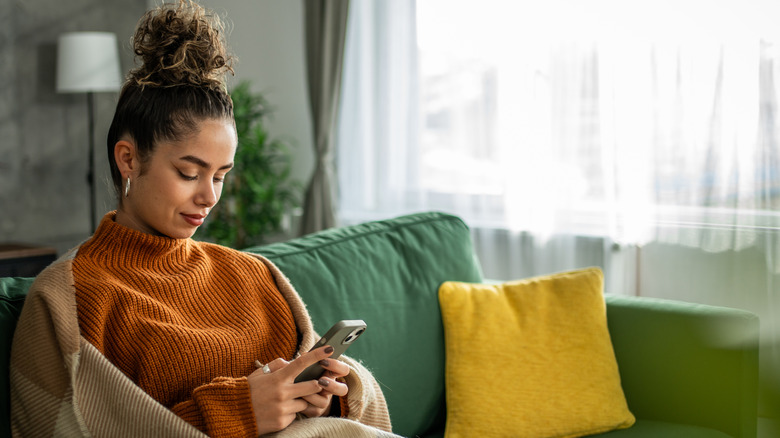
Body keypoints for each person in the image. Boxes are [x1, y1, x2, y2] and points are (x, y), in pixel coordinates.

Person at [9, 1, 393, 437]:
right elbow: (64, 429)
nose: (209, 196)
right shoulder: (69, 300)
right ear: (129, 158)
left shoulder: (254, 275)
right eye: (189, 173)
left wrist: (326, 395)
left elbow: (334, 393)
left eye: (221, 176)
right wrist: (238, 412)